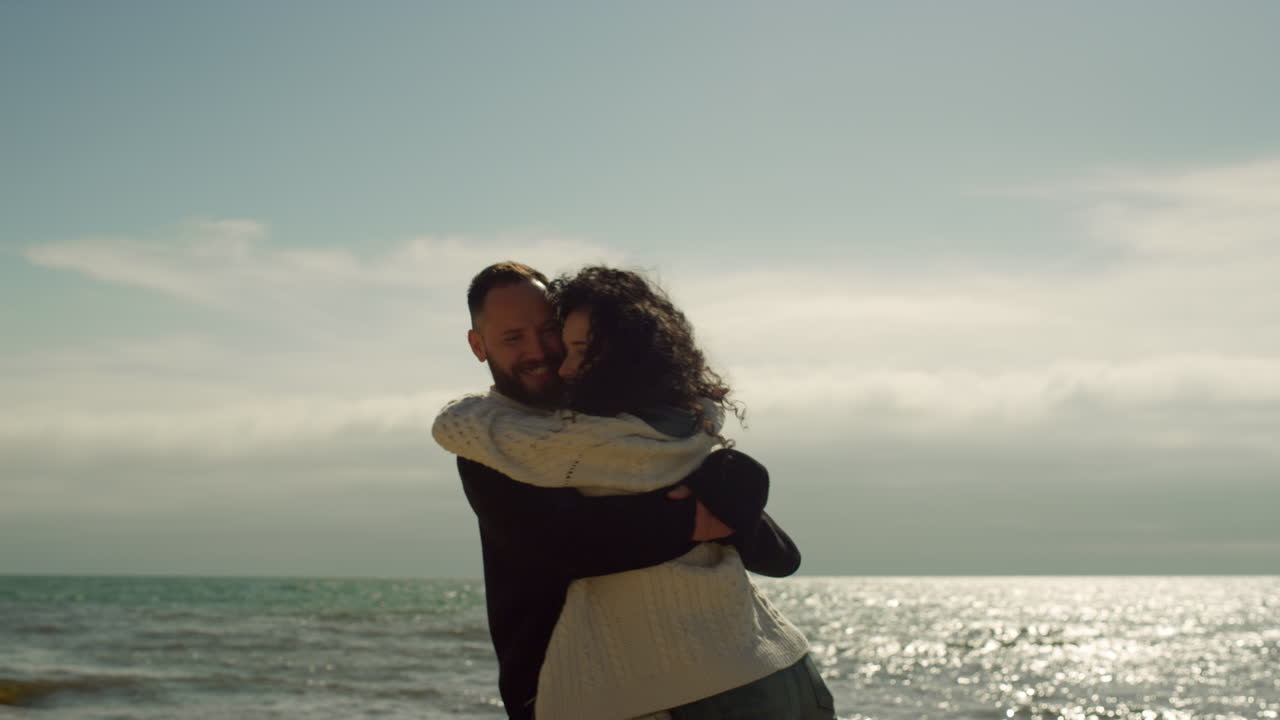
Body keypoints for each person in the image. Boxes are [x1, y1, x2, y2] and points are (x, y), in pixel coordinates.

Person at [434, 263, 835, 719]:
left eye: (549, 331)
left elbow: (776, 552)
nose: (539, 350)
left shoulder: (637, 430)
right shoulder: (495, 441)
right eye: (513, 338)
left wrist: (731, 481)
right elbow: (567, 547)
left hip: (705, 682)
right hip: (750, 675)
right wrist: (699, 514)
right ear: (478, 346)